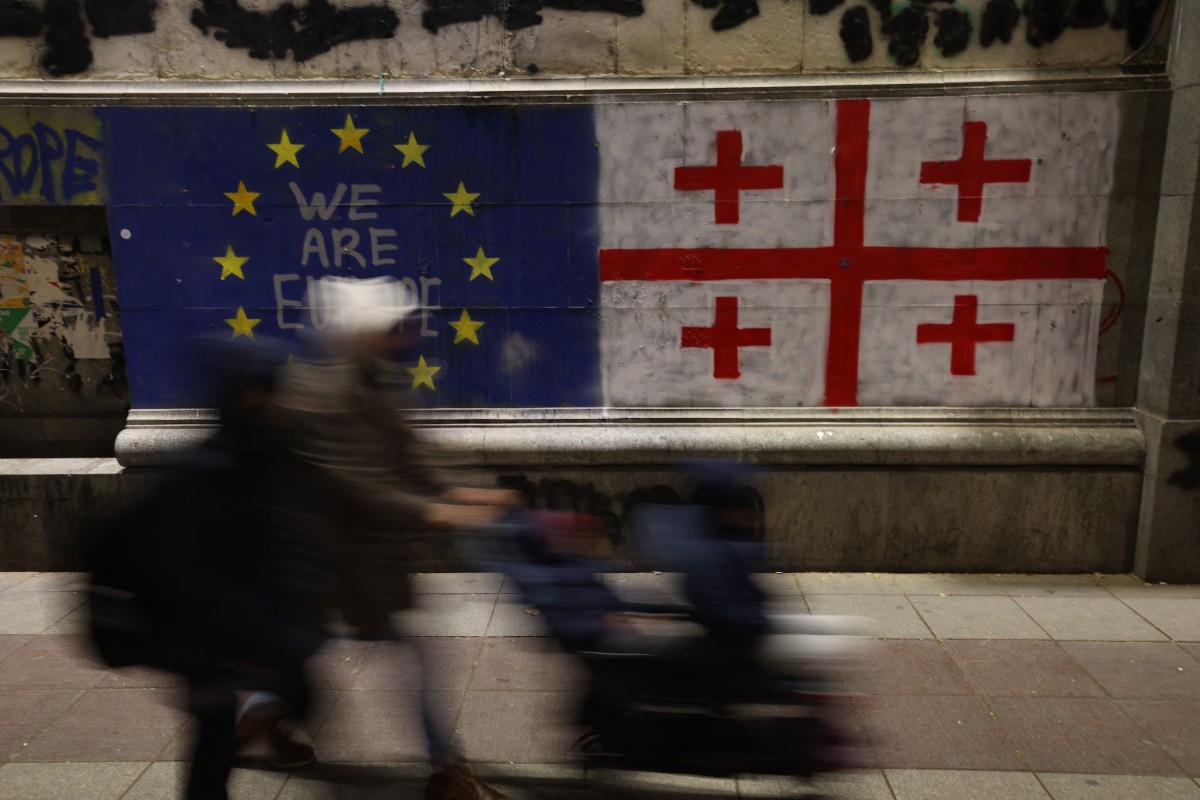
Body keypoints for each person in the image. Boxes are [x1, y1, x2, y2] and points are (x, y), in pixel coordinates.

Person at [271, 276, 515, 799]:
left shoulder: (377, 378)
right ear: (361, 332)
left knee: (314, 645)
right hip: (330, 560)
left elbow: (410, 453)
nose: (404, 336)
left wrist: (466, 490)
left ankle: (259, 715)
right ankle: (442, 769)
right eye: (391, 328)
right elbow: (358, 482)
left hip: (365, 562)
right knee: (393, 652)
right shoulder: (328, 393)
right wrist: (436, 511)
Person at [87, 337, 325, 800]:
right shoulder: (215, 467)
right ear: (249, 394)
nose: (286, 400)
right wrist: (242, 642)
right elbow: (189, 568)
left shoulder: (252, 454)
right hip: (209, 636)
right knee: (228, 725)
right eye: (273, 390)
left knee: (232, 723)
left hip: (228, 631)